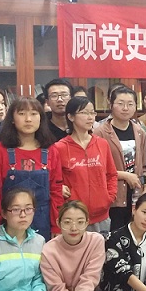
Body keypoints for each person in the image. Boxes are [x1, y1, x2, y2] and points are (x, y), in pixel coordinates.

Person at [0, 97, 64, 240]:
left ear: (41, 118)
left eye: (34, 114)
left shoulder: (51, 150)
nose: (28, 119)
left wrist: (57, 225)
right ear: (12, 119)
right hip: (7, 226)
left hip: (43, 223)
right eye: (21, 113)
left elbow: (56, 191)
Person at [54, 97, 118, 234]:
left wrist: (109, 197)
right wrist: (60, 188)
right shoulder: (59, 147)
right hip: (73, 216)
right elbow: (53, 180)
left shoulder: (102, 144)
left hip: (101, 215)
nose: (90, 117)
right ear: (71, 117)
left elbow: (111, 174)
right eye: (84, 113)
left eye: (92, 113)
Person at [93, 86, 146, 230]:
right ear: (111, 105)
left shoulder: (140, 132)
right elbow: (96, 169)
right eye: (120, 103)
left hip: (135, 193)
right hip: (113, 194)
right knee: (115, 234)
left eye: (130, 104)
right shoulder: (100, 133)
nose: (125, 108)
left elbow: (144, 166)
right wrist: (125, 175)